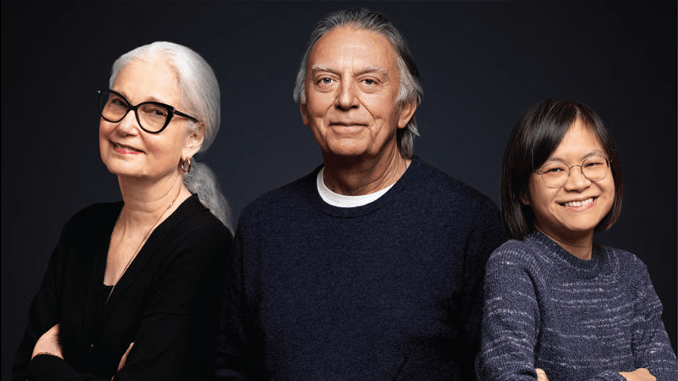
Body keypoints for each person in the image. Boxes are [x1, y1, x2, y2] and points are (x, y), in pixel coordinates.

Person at [216, 8, 505, 381]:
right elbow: (231, 368)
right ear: (305, 106)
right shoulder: (262, 225)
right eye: (325, 81)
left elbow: (495, 369)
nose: (346, 99)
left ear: (405, 107)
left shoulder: (468, 222)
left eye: (369, 82)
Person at [12, 41, 233, 381]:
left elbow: (33, 364)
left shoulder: (205, 247)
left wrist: (45, 364)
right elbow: (18, 370)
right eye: (119, 103)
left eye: (155, 111)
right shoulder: (83, 229)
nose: (126, 125)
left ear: (193, 138)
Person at [476, 99, 678, 381]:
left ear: (612, 170)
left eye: (592, 163)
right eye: (555, 169)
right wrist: (628, 379)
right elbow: (508, 376)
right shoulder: (514, 264)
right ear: (523, 191)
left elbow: (667, 374)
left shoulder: (631, 271)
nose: (578, 183)